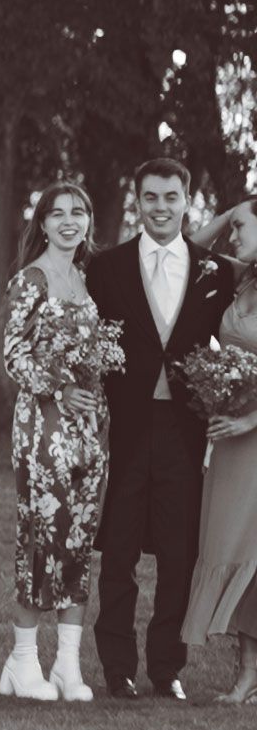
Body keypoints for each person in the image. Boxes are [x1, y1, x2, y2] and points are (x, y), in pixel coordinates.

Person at [87, 159, 235, 701]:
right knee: (119, 550)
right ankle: (117, 667)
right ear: (138, 201)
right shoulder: (106, 268)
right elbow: (88, 341)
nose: (160, 208)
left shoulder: (215, 272)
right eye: (150, 197)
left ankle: (167, 667)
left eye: (171, 197)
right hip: (127, 427)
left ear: (186, 201)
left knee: (179, 553)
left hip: (186, 429)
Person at [0, 183, 110, 701]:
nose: (70, 221)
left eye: (78, 212)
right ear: (41, 223)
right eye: (58, 213)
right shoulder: (30, 280)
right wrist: (60, 386)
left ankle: (67, 666)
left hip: (89, 431)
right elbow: (14, 356)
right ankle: (23, 663)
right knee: (43, 537)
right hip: (43, 427)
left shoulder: (84, 278)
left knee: (79, 542)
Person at [177, 198, 257, 704]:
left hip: (252, 433)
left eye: (241, 229)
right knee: (232, 552)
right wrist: (235, 212)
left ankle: (249, 676)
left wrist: (251, 417)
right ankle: (248, 671)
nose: (231, 236)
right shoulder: (240, 279)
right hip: (230, 445)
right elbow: (186, 251)